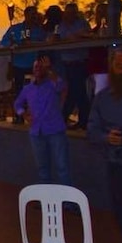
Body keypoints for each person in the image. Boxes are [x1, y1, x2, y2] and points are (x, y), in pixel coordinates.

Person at [14, 58, 73, 186]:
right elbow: (17, 103)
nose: (38, 69)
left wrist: (50, 70)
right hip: (36, 132)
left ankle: (68, 201)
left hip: (55, 130)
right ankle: (46, 199)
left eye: (41, 67)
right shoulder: (27, 89)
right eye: (36, 67)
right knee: (42, 168)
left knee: (62, 167)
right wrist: (24, 114)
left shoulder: (52, 85)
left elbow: (62, 85)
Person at [87, 46, 122, 242]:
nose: (121, 67)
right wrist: (106, 137)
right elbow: (92, 130)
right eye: (118, 64)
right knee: (120, 209)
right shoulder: (102, 98)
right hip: (116, 163)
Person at [2, 5, 47, 124]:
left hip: (35, 65)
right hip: (19, 64)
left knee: (37, 91)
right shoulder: (15, 29)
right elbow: (4, 42)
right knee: (19, 91)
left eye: (35, 14)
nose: (33, 17)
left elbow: (46, 42)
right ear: (26, 15)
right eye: (31, 14)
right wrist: (14, 43)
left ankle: (37, 114)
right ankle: (19, 115)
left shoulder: (39, 30)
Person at [57, 3, 91, 130]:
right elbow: (60, 39)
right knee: (74, 91)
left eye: (73, 12)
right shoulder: (61, 25)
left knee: (78, 91)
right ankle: (71, 119)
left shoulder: (82, 23)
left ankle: (81, 120)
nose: (71, 15)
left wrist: (76, 37)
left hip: (80, 61)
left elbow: (88, 35)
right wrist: (74, 37)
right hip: (67, 63)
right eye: (68, 12)